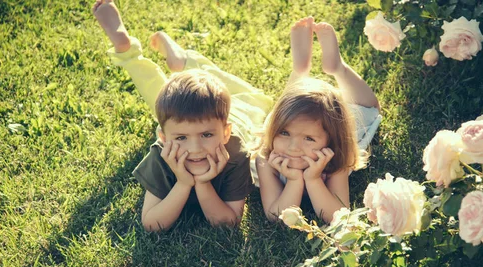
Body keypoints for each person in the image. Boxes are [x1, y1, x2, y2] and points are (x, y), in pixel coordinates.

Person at [92, 0, 272, 231]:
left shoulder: (235, 150)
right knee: (166, 104)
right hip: (215, 113)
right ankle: (183, 61)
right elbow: (152, 223)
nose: (195, 148)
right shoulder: (161, 154)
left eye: (207, 135)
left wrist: (203, 183)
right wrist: (184, 183)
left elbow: (228, 223)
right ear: (163, 137)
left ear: (226, 132)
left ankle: (141, 57)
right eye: (181, 138)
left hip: (243, 111)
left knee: (257, 98)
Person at [255, 17, 382, 224]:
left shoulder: (335, 158)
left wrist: (313, 179)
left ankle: (337, 67)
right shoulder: (266, 158)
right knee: (285, 110)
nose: (293, 147)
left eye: (309, 139)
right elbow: (274, 215)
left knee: (368, 108)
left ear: (330, 141)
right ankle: (300, 70)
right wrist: (295, 180)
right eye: (284, 134)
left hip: (330, 122)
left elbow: (337, 217)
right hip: (287, 120)